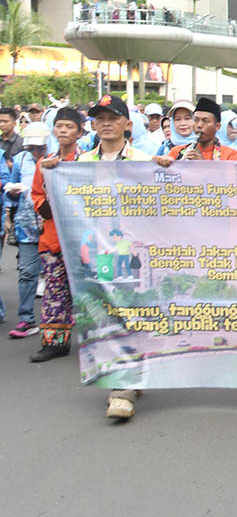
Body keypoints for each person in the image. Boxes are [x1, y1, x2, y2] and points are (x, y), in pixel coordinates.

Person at [79, 96, 154, 419]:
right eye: (100, 118)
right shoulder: (81, 162)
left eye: (113, 117)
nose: (106, 123)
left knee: (128, 313)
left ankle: (122, 389)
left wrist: (166, 171)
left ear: (128, 124)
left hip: (130, 253)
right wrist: (53, 172)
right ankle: (127, 376)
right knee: (104, 314)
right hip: (96, 252)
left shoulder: (145, 161)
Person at [29, 107, 84, 362]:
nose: (63, 130)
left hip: (83, 240)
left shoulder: (87, 162)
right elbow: (37, 197)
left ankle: (98, 341)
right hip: (53, 239)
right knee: (54, 293)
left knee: (90, 292)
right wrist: (50, 182)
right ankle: (55, 342)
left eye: (69, 127)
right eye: (59, 126)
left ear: (80, 132)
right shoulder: (45, 163)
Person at [6, 122, 48, 339]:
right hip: (26, 224)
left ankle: (60, 319)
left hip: (51, 224)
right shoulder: (21, 160)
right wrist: (12, 194)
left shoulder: (56, 159)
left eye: (39, 147)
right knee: (27, 273)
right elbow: (11, 187)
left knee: (59, 275)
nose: (36, 151)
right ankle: (26, 319)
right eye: (32, 147)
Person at [160, 97, 237, 161]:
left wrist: (202, 164)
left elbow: (229, 177)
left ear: (217, 126)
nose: (199, 125)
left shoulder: (230, 155)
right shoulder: (176, 152)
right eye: (195, 120)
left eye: (205, 121)